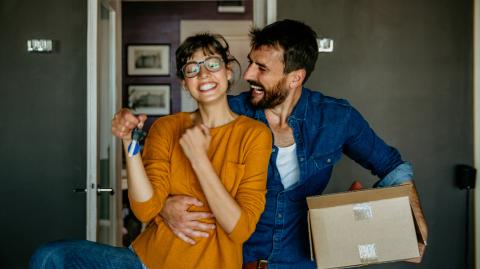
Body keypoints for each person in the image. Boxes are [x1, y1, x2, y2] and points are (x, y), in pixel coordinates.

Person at [157, 19, 428, 269]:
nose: (248, 74)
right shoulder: (228, 112)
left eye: (261, 68)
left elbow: (393, 167)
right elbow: (164, 163)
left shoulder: (336, 118)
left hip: (302, 263)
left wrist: (416, 234)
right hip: (232, 261)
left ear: (295, 77)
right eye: (251, 62)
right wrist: (163, 207)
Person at [29, 33, 272, 269]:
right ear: (184, 83)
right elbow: (145, 209)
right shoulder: (166, 127)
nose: (204, 74)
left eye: (212, 64)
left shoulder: (254, 135)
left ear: (228, 70)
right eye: (192, 69)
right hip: (145, 261)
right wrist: (129, 141)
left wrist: (199, 159)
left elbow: (240, 229)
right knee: (50, 256)